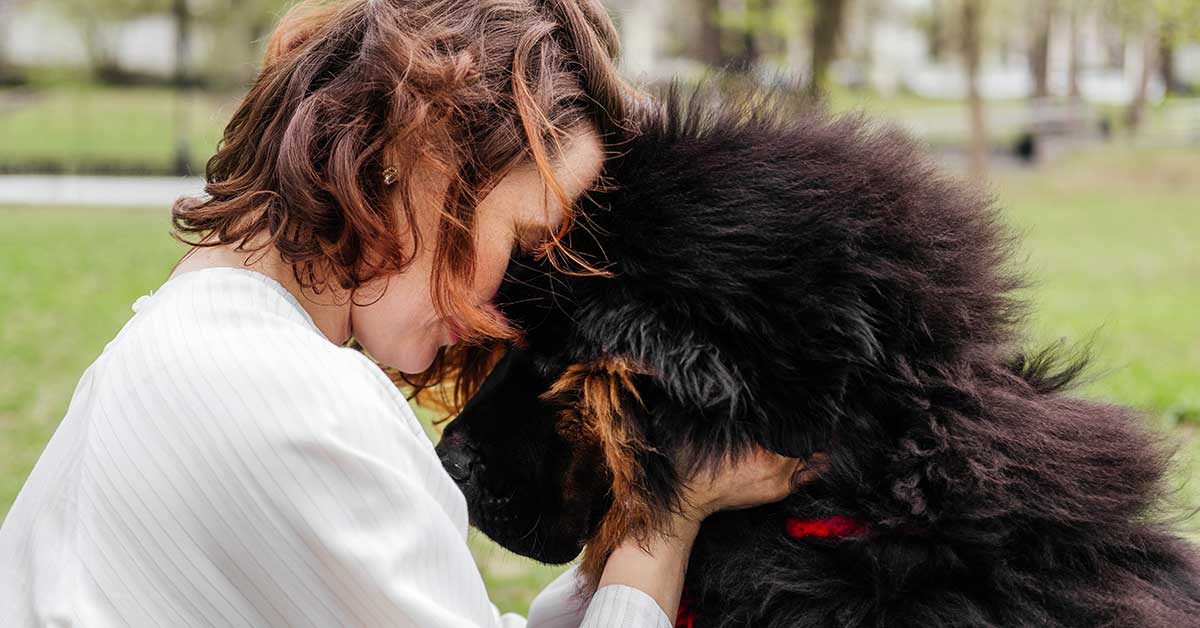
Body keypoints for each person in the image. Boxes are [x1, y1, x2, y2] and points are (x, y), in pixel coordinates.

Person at [0, 1, 804, 626]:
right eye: (524, 237)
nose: (504, 308)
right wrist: (668, 519)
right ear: (421, 147)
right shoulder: (293, 401)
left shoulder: (197, 343)